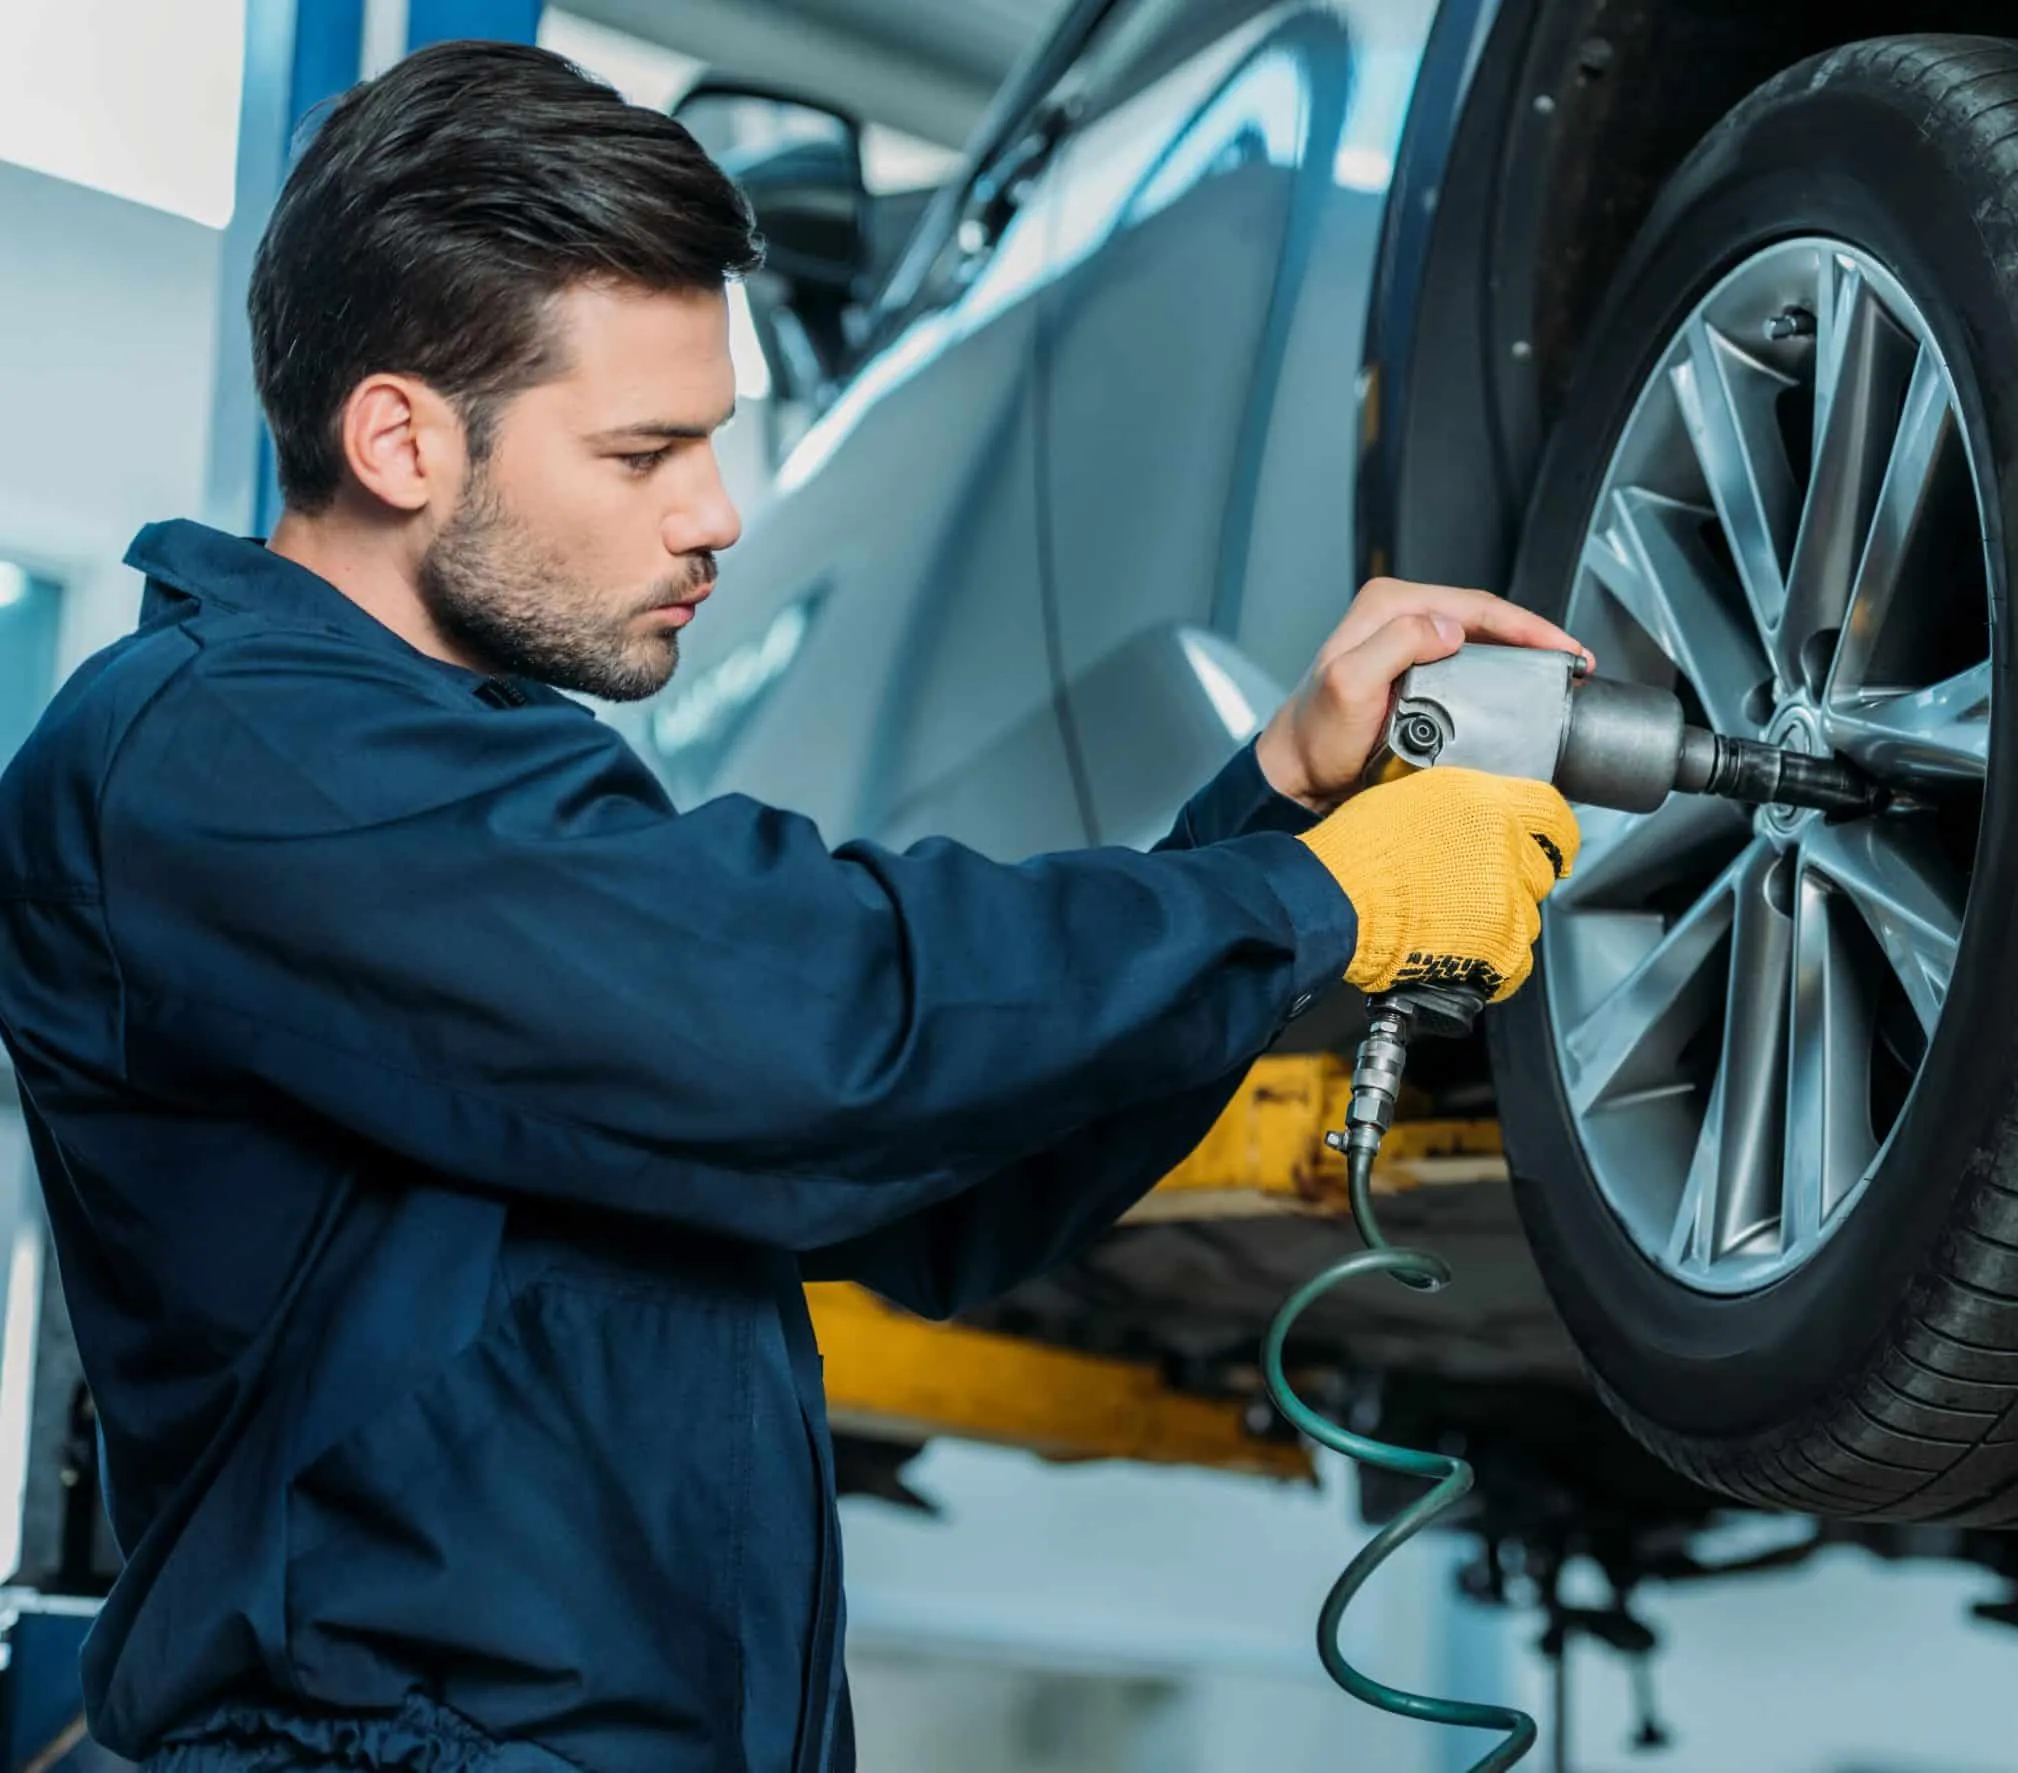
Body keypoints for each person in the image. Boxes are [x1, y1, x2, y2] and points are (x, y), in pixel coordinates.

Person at [0, 40, 1585, 1773]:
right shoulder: (233, 757)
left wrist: (1272, 801)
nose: (716, 515)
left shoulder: (461, 793)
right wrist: (1294, 904)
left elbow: (942, 1178)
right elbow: (813, 1027)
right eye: (642, 452)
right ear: (399, 439)